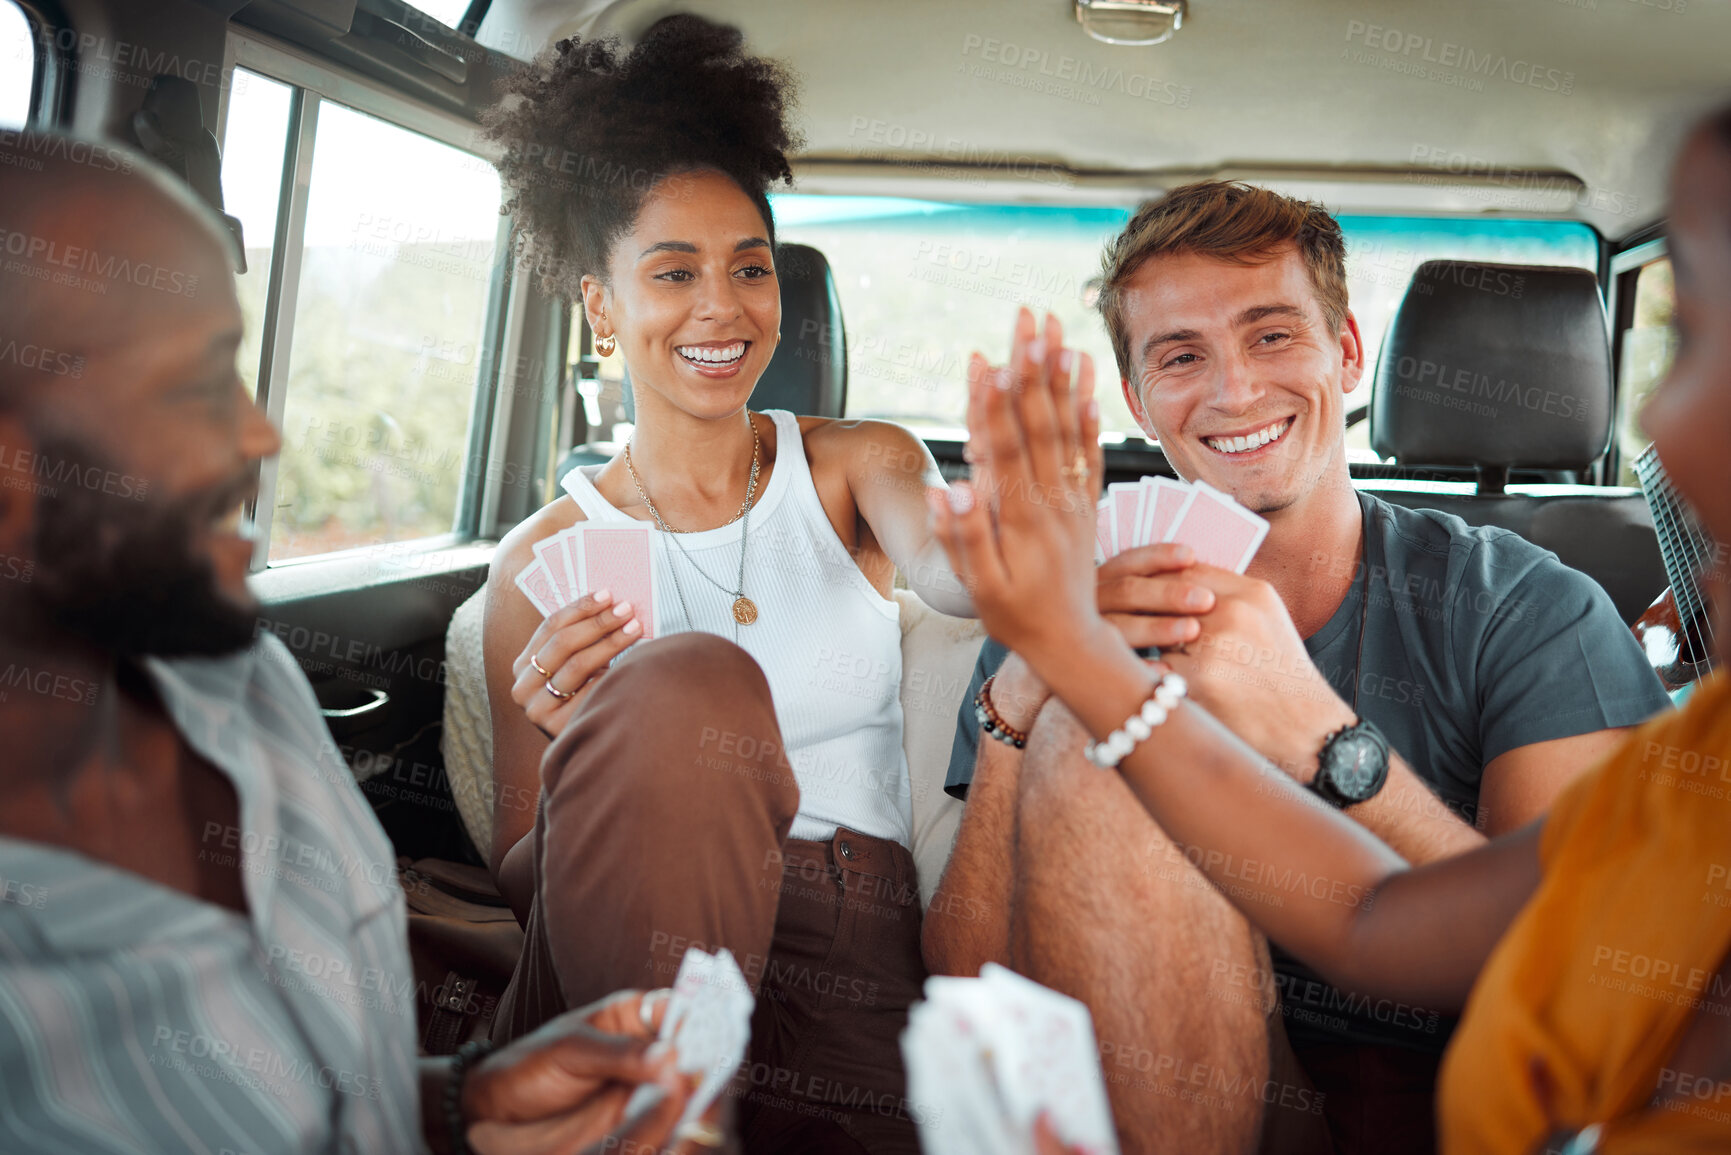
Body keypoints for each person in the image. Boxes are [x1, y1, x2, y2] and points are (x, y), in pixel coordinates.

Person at [925, 105, 1731, 1155]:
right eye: (1179, 356)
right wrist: (1032, 687)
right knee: (1091, 738)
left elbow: (1562, 972)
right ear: (1138, 397)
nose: (1234, 388)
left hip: (1442, 1097)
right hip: (1159, 1075)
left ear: (1346, 353)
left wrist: (1320, 733)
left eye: (1271, 334)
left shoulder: (1529, 607)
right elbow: (965, 983)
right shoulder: (1081, 601)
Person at [0, 130, 723, 1155]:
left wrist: (462, 1104)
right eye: (193, 386)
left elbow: (325, 1095)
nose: (262, 437)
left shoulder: (243, 682)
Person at [477, 17, 966, 1153]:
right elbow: (519, 878)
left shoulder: (857, 464)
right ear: (602, 307)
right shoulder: (536, 564)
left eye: (751, 266)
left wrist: (1016, 559)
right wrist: (579, 774)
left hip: (846, 935)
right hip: (624, 930)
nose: (722, 307)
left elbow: (951, 566)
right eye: (673, 272)